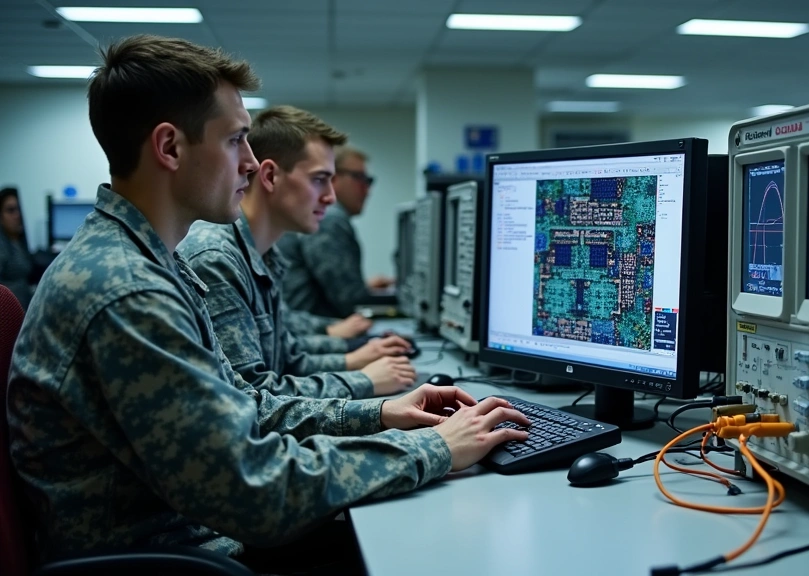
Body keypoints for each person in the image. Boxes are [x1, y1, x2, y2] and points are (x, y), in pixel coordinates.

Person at [6, 34, 529, 572]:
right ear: (169, 148)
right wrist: (435, 449)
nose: (253, 163)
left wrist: (380, 413)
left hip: (191, 538)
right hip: (173, 557)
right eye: (236, 141)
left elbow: (245, 405)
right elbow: (253, 489)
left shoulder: (151, 262)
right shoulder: (128, 291)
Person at [179, 104, 415, 398]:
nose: (330, 197)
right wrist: (362, 380)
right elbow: (253, 397)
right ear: (270, 177)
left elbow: (288, 359)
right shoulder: (217, 259)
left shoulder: (264, 255)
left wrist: (352, 360)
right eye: (318, 179)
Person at [278, 145, 393, 318]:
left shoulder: (320, 214)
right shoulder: (329, 218)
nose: (367, 190)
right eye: (360, 178)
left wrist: (366, 288)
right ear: (333, 178)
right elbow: (348, 300)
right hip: (314, 332)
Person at [0, 187, 44, 309]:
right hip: (8, 317)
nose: (17, 215)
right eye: (10, 210)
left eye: (19, 209)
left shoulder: (17, 240)